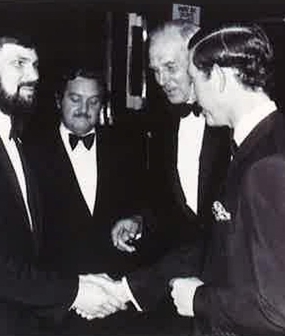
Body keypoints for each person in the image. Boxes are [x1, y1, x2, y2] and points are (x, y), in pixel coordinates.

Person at [0, 34, 125, 336]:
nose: (34, 75)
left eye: (35, 64)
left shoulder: (12, 138)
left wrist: (82, 283)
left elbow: (22, 250)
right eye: (19, 63)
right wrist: (74, 292)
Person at [166, 23, 285, 335]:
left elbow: (284, 310)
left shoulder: (270, 166)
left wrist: (198, 299)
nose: (193, 97)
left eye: (195, 82)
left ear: (220, 78)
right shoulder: (264, 142)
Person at [25, 65, 149, 335]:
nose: (84, 108)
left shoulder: (126, 148)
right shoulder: (29, 153)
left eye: (93, 101)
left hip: (116, 306)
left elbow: (148, 205)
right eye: (75, 99)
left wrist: (138, 220)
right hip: (56, 310)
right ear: (59, 100)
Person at [111, 19, 230, 258]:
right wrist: (140, 220)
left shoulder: (231, 120)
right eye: (156, 71)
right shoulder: (159, 122)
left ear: (198, 60)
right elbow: (163, 199)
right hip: (179, 270)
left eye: (170, 67)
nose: (161, 81)